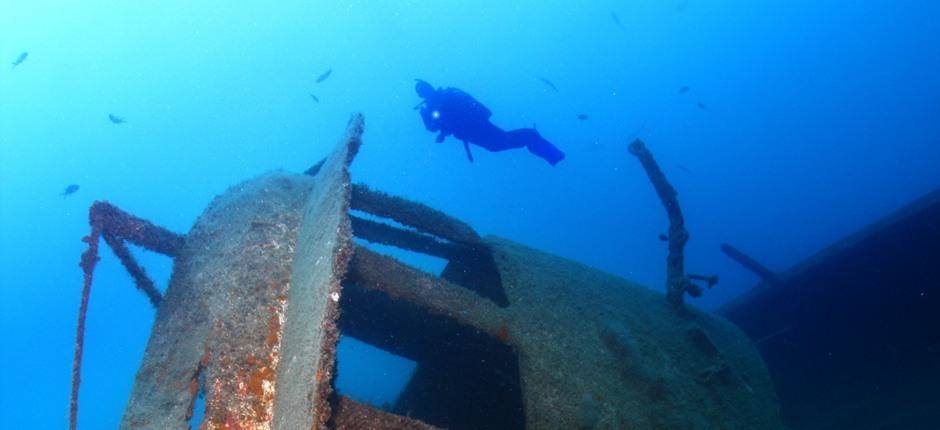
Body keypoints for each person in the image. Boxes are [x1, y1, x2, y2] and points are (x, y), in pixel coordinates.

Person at [414, 79, 565, 166]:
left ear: (430, 87)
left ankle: (534, 139)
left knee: (500, 142)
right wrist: (426, 116)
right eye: (421, 92)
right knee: (497, 145)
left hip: (476, 125)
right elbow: (433, 128)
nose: (424, 94)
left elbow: (462, 110)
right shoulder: (428, 108)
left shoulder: (447, 96)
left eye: (424, 89)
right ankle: (537, 143)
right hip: (468, 132)